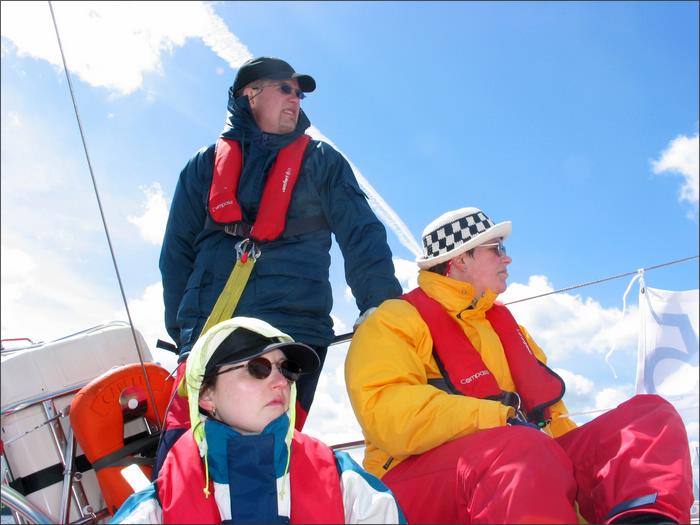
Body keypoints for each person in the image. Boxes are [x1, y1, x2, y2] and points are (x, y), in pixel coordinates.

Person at [344, 206, 693, 524]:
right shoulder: (394, 320)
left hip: (523, 466)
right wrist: (501, 419)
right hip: (412, 486)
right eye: (496, 248)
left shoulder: (510, 328)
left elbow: (554, 423)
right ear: (460, 259)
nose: (507, 259)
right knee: (519, 448)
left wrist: (580, 473)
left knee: (649, 417)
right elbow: (387, 415)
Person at [157, 55, 402, 467]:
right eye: (285, 88)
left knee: (269, 463)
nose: (296, 99)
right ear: (250, 95)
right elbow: (176, 255)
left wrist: (379, 303)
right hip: (209, 334)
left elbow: (361, 232)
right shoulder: (203, 166)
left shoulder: (322, 162)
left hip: (292, 332)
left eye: (300, 93)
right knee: (183, 461)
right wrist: (183, 334)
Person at [112, 317, 405, 524]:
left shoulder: (348, 485)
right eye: (258, 368)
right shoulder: (155, 509)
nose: (281, 382)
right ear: (206, 396)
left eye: (287, 369)